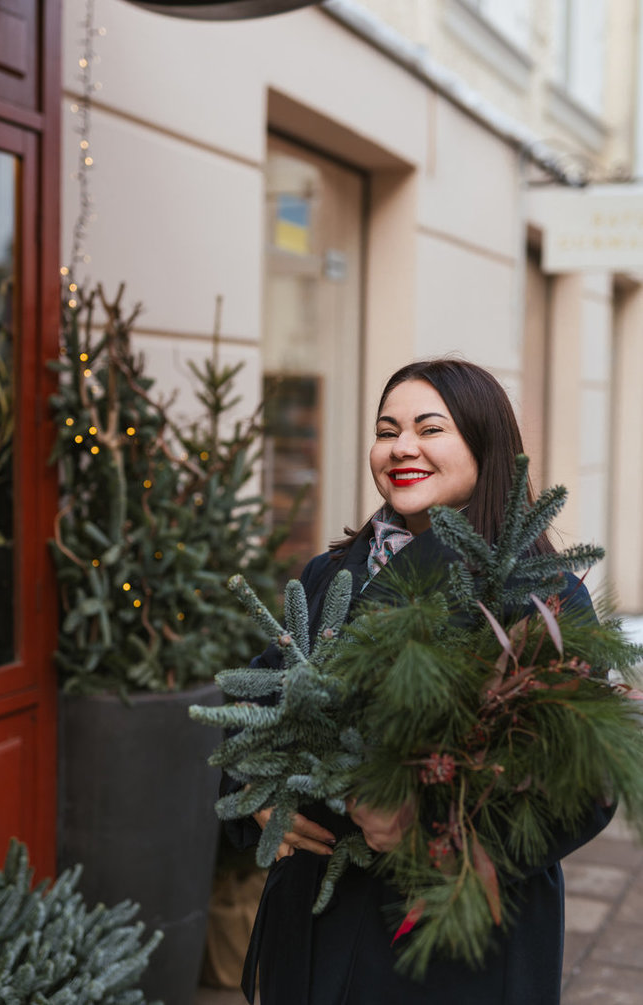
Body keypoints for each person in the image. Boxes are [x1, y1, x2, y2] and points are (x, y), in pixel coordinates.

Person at [226, 358, 613, 1005]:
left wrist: (431, 833)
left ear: (485, 447)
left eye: (430, 428)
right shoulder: (331, 572)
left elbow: (586, 784)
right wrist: (253, 789)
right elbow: (255, 692)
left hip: (446, 946)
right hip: (312, 927)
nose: (402, 446)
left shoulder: (533, 595)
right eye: (388, 428)